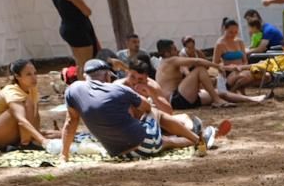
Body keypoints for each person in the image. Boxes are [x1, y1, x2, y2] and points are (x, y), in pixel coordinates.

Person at [60, 65, 214, 162]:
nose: (136, 80)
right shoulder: (120, 88)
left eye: (139, 77)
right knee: (155, 114)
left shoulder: (73, 90)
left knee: (166, 141)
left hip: (119, 154)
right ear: (108, 76)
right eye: (133, 76)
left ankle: (196, 138)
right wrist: (144, 97)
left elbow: (70, 123)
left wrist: (64, 156)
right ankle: (198, 140)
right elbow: (151, 109)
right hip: (143, 142)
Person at [154, 39, 267, 108]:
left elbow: (187, 75)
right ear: (166, 52)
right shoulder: (170, 60)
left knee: (220, 92)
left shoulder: (171, 62)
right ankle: (217, 101)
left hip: (182, 98)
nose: (177, 51)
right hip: (175, 99)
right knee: (199, 68)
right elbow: (197, 62)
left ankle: (252, 99)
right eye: (174, 49)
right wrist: (218, 66)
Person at [0, 59, 49, 152]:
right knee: (27, 103)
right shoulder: (12, 91)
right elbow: (21, 120)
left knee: (30, 105)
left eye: (35, 73)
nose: (34, 77)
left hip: (9, 131)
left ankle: (24, 142)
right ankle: (25, 144)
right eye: (29, 74)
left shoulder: (32, 88)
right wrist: (43, 141)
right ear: (17, 76)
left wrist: (36, 136)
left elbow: (36, 114)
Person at [51, 0, 99, 71]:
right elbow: (87, 11)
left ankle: (80, 83)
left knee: (80, 63)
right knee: (87, 64)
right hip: (78, 30)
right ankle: (86, 85)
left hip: (68, 29)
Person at [213, 18, 257, 94]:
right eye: (230, 32)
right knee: (244, 77)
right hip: (229, 71)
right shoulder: (220, 44)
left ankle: (237, 91)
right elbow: (214, 63)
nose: (233, 34)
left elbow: (245, 60)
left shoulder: (239, 42)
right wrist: (225, 68)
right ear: (224, 29)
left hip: (242, 68)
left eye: (236, 32)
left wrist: (243, 67)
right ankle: (232, 91)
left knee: (265, 76)